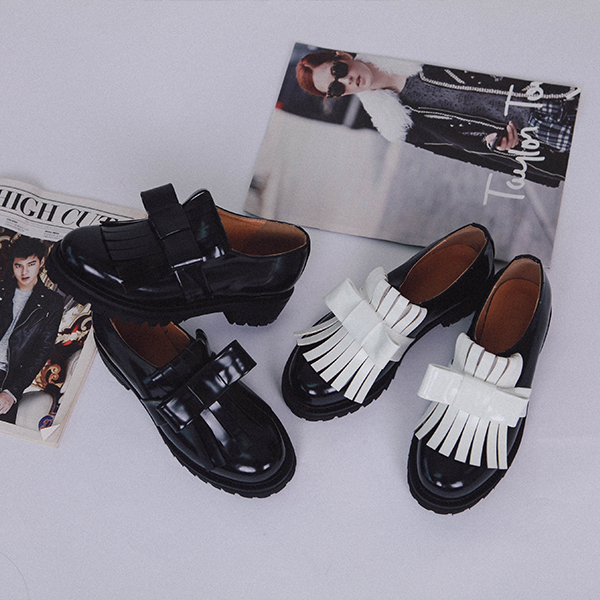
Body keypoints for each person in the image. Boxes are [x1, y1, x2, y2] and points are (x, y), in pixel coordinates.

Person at [296, 49, 580, 187]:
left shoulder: (410, 48)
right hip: (540, 133)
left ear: (342, 55)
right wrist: (494, 144)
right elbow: (462, 147)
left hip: (552, 90)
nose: (347, 80)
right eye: (336, 88)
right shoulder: (396, 123)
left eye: (338, 71)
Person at [0, 236, 63, 424]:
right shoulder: (2, 290)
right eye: (18, 266)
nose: (24, 272)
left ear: (41, 262)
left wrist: (12, 392)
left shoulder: (52, 303)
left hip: (7, 376)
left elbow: (41, 351)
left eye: (31, 264)